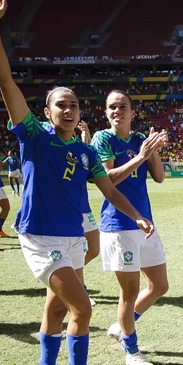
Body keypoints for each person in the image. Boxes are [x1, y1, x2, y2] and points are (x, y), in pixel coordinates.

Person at [0, 0, 154, 365]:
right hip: (40, 238)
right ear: (46, 111)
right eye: (61, 104)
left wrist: (135, 215)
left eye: (74, 104)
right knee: (83, 309)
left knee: (58, 309)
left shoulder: (83, 150)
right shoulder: (33, 136)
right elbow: (5, 82)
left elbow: (108, 189)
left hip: (72, 238)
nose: (69, 109)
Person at [91, 90, 169, 365]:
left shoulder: (139, 140)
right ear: (106, 112)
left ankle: (123, 326)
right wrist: (140, 157)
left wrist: (152, 152)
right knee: (129, 291)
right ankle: (132, 350)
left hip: (145, 223)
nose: (117, 111)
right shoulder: (103, 139)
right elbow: (107, 178)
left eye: (123, 106)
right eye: (112, 107)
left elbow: (159, 177)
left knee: (160, 285)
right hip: (119, 224)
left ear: (132, 112)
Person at [77, 120, 100, 307]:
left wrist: (86, 136)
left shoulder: (82, 151)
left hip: (84, 207)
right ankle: (80, 290)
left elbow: (88, 157)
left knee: (94, 249)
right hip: (67, 210)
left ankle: (66, 274)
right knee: (76, 253)